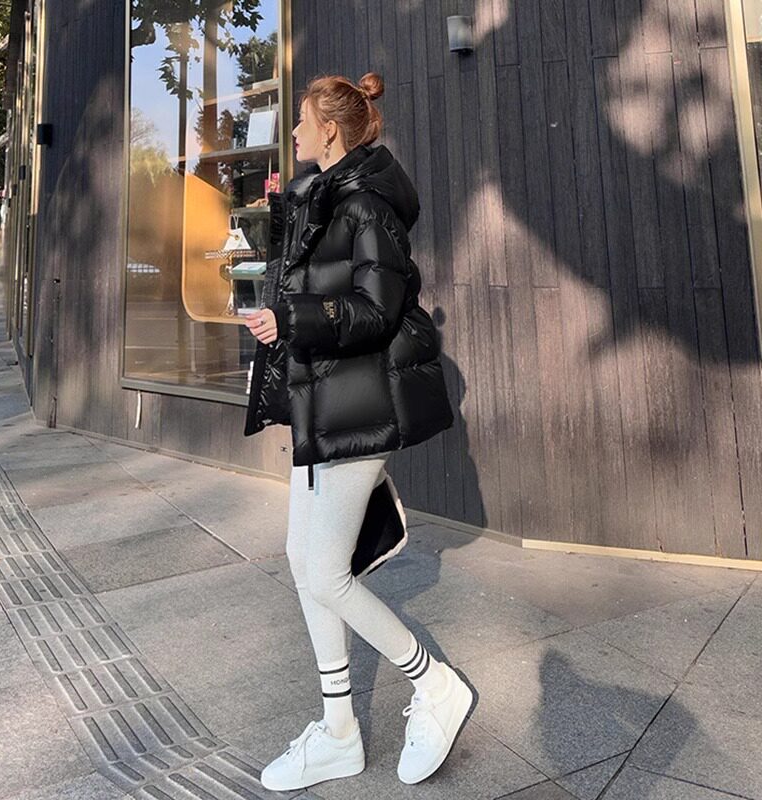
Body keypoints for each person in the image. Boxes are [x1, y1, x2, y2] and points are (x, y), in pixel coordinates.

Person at [243, 71, 474, 791]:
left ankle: (434, 683)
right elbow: (313, 287)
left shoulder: (368, 205)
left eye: (301, 121)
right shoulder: (321, 198)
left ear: (331, 129)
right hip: (324, 402)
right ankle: (339, 731)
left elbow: (376, 309)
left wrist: (294, 318)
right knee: (302, 559)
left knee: (324, 572)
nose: (293, 132)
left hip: (362, 408)